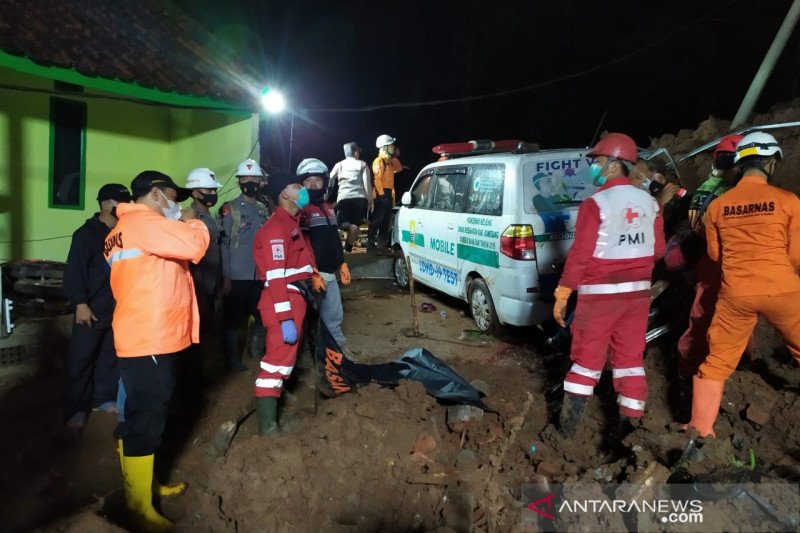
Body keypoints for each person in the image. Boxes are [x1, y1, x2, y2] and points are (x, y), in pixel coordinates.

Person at [104, 170, 209, 530]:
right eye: (171, 195)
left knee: (142, 412)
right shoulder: (142, 224)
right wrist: (194, 221)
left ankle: (144, 484)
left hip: (145, 333)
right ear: (154, 194)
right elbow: (195, 247)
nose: (176, 203)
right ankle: (138, 506)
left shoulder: (122, 230)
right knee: (147, 416)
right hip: (148, 335)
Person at [684, 132, 800, 438]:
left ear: (739, 164)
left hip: (736, 293)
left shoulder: (720, 205)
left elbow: (714, 254)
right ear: (772, 164)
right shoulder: (788, 201)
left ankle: (700, 429)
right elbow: (796, 254)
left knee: (717, 361)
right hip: (782, 289)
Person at [553, 133, 665, 438]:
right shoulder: (650, 203)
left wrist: (564, 292)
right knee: (630, 363)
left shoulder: (597, 203)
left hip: (599, 298)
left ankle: (567, 434)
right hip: (638, 298)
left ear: (615, 164)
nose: (594, 167)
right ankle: (632, 433)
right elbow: (658, 251)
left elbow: (580, 254)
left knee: (586, 363)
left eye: (598, 161)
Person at [673, 134, 743, 413]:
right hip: (719, 262)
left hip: (701, 259)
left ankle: (686, 368)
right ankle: (703, 372)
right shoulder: (728, 193)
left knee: (700, 316)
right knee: (718, 321)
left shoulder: (705, 186)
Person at [252, 171, 324, 435]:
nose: (303, 188)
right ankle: (268, 428)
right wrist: (284, 319)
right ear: (285, 195)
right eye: (297, 186)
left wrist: (313, 273)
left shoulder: (292, 223)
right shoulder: (276, 228)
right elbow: (275, 277)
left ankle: (276, 417)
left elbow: (300, 257)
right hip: (282, 301)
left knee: (285, 363)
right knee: (275, 365)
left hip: (295, 298)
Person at [63, 183, 131, 430]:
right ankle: (76, 409)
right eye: (118, 203)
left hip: (116, 307)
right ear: (104, 204)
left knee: (109, 356)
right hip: (91, 307)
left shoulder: (124, 233)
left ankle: (102, 398)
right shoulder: (86, 234)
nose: (123, 208)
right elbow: (74, 272)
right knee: (81, 359)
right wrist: (80, 303)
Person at [296, 158, 352, 353]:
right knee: (307, 321)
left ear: (324, 182)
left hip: (329, 274)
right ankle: (307, 364)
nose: (312, 185)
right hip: (311, 276)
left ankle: (337, 358)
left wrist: (342, 263)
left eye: (317, 180)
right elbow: (301, 245)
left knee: (333, 318)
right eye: (308, 181)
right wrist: (311, 271)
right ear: (301, 184)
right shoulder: (300, 211)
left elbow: (334, 239)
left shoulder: (328, 208)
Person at [219, 159, 269, 371]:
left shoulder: (262, 208)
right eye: (245, 178)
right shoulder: (229, 209)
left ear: (260, 181)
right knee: (233, 321)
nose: (250, 182)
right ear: (238, 182)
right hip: (237, 275)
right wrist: (227, 277)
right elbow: (224, 245)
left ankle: (256, 354)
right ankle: (232, 362)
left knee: (261, 315)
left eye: (254, 178)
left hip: (259, 275)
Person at [185, 168, 223, 346]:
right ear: (194, 192)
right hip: (199, 284)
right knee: (197, 331)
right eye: (208, 191)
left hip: (214, 282)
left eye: (214, 190)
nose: (212, 194)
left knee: (211, 328)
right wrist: (199, 287)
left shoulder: (212, 217)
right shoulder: (187, 218)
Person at [329, 142, 372, 252]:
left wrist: (328, 195)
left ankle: (349, 233)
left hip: (344, 198)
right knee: (355, 223)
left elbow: (330, 179)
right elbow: (367, 183)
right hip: (360, 199)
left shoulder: (339, 165)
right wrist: (370, 201)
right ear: (356, 152)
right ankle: (348, 246)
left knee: (342, 224)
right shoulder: (362, 164)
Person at [368, 133, 403, 252]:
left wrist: (393, 157)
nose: (393, 147)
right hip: (380, 193)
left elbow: (399, 168)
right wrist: (382, 195)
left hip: (388, 194)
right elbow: (377, 179)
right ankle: (371, 244)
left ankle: (381, 246)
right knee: (377, 220)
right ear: (385, 147)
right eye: (391, 145)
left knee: (386, 221)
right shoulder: (379, 161)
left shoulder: (389, 161)